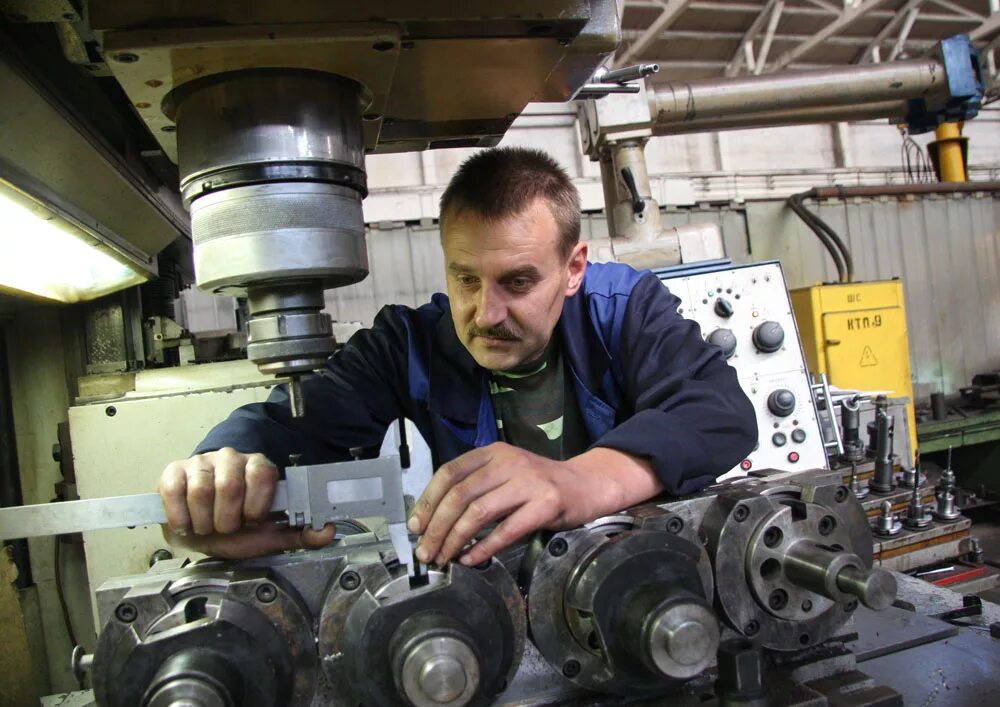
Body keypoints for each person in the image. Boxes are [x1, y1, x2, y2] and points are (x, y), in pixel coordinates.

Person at [157, 147, 757, 565]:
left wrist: (575, 481)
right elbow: (292, 423)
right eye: (465, 279)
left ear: (573, 268)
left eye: (517, 282)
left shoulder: (623, 309)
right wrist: (219, 479)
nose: (484, 313)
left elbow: (716, 411)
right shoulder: (409, 346)